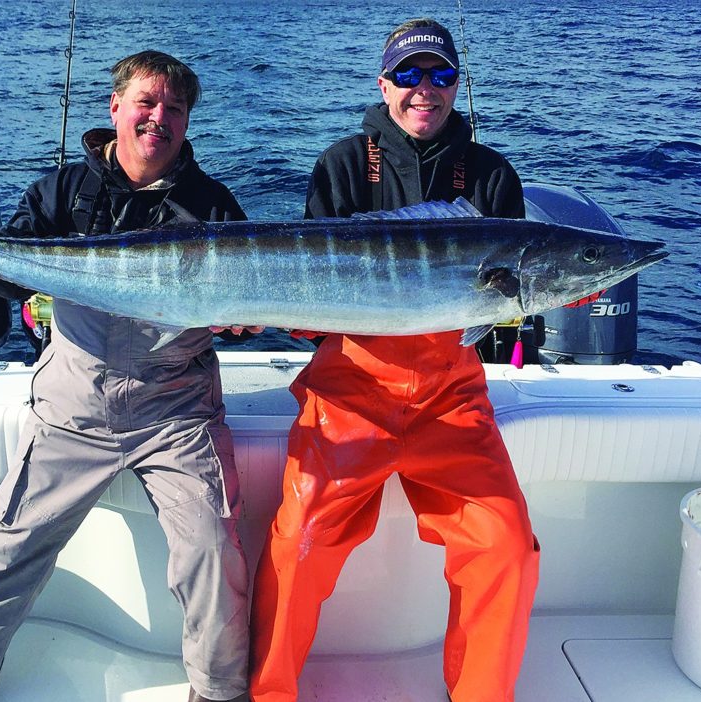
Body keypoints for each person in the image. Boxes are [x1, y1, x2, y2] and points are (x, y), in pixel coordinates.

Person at [0, 50, 254, 702]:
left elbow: (242, 309)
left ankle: (220, 693)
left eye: (174, 109)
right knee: (5, 552)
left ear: (186, 123)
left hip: (176, 408)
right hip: (75, 404)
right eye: (147, 103)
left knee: (214, 551)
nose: (159, 118)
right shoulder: (62, 193)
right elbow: (3, 267)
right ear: (116, 109)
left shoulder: (211, 204)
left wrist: (241, 318)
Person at [249, 19, 540, 702]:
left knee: (506, 546)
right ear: (385, 85)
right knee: (298, 542)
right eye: (409, 76)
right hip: (350, 394)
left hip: (452, 401)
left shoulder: (493, 175)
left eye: (440, 75)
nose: (425, 90)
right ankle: (268, 695)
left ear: (456, 85)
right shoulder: (346, 162)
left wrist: (549, 296)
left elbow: (504, 312)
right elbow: (312, 294)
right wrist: (284, 318)